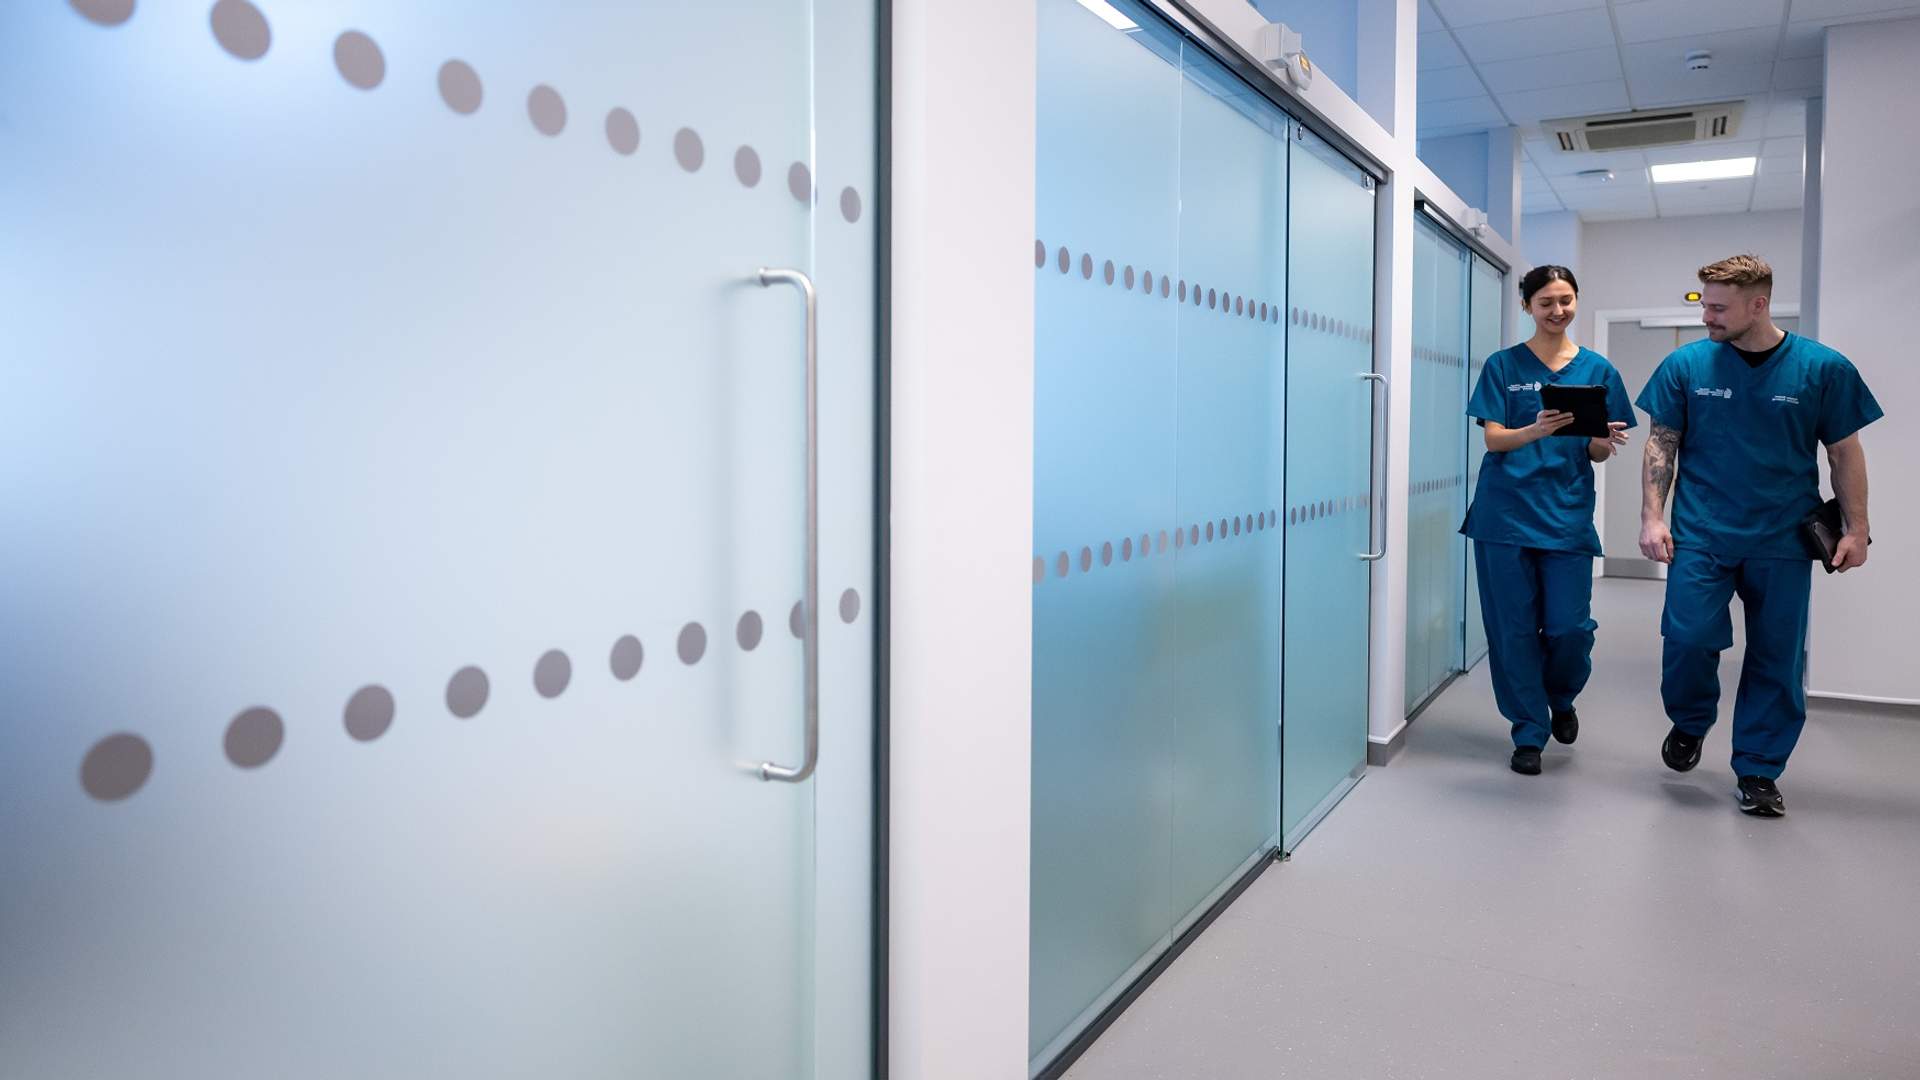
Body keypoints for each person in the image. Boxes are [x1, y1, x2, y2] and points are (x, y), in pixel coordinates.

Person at [1636, 253, 1882, 817]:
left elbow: (1845, 451)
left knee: (1776, 657)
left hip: (1782, 539)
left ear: (1759, 304)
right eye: (1704, 304)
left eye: (1718, 308)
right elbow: (1661, 443)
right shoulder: (1687, 366)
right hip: (1702, 533)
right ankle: (1691, 720)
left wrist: (1858, 529)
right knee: (1689, 638)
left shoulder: (1823, 369)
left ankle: (1759, 768)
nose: (1707, 317)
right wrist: (1653, 517)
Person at [1462, 265, 1634, 776]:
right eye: (1546, 303)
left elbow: (1599, 451)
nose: (1558, 311)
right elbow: (1494, 439)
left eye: (1566, 300)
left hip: (1565, 516)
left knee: (1569, 628)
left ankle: (1561, 697)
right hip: (1504, 517)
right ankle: (1528, 731)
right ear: (1527, 307)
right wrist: (1535, 429)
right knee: (1512, 630)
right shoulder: (1502, 366)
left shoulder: (1598, 370)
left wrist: (1604, 442)